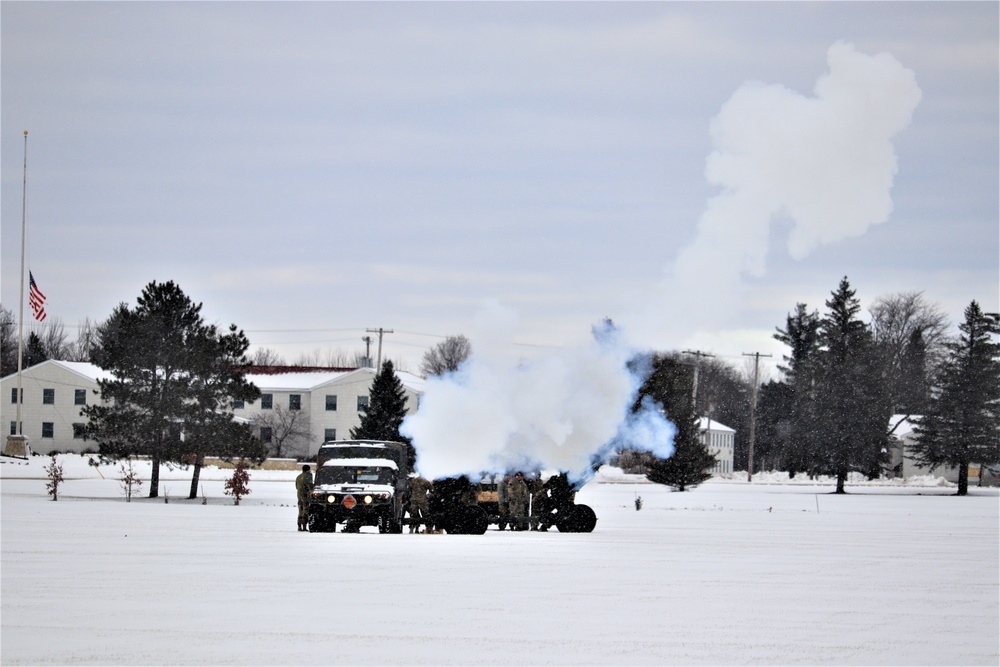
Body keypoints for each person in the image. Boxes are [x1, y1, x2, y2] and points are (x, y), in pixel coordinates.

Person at [294, 464, 314, 531]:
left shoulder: (298, 477)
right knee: (305, 511)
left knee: (300, 510)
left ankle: (299, 526)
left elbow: (296, 486)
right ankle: (304, 526)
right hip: (306, 496)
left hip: (299, 495)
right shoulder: (308, 476)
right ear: (308, 469)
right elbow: (310, 486)